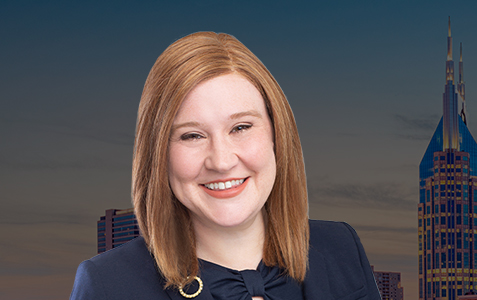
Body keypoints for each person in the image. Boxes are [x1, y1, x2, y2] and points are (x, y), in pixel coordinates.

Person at [71, 32, 382, 300]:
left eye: (241, 128)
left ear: (276, 134)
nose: (221, 161)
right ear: (158, 155)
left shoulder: (342, 247)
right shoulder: (107, 284)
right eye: (191, 135)